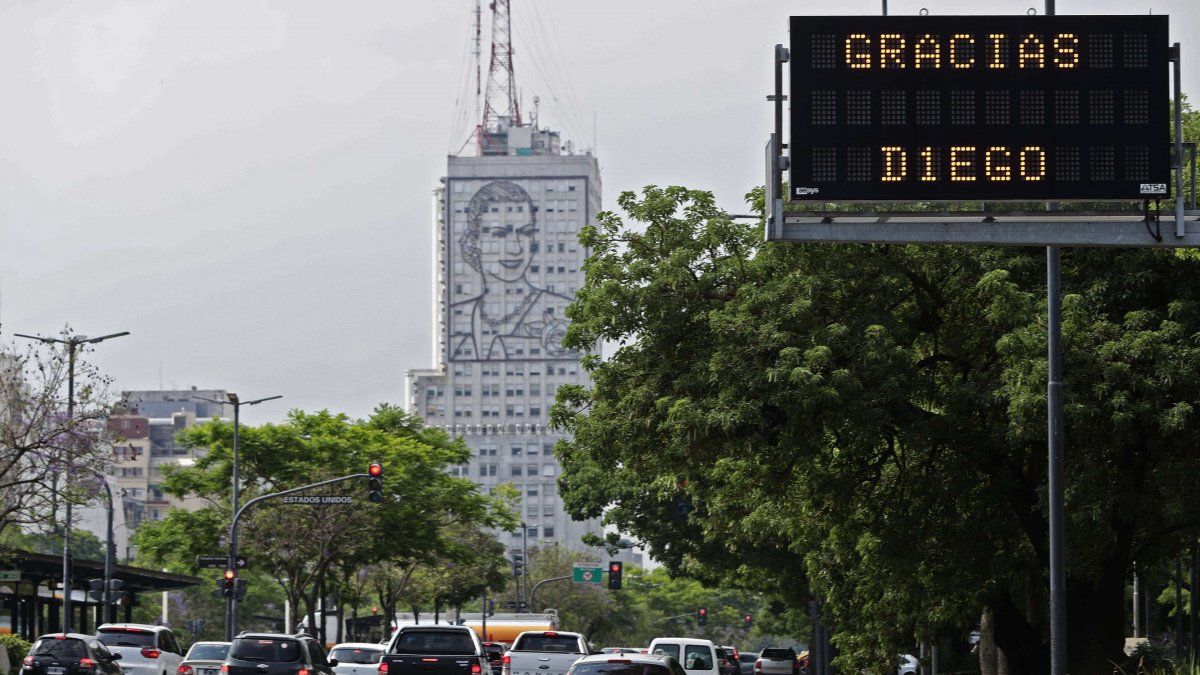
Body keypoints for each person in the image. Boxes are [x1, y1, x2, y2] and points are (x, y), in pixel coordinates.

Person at [450, 180, 577, 361]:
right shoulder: (456, 315)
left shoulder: (566, 310)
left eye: (525, 233)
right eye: (499, 234)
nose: (515, 248)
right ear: (474, 240)